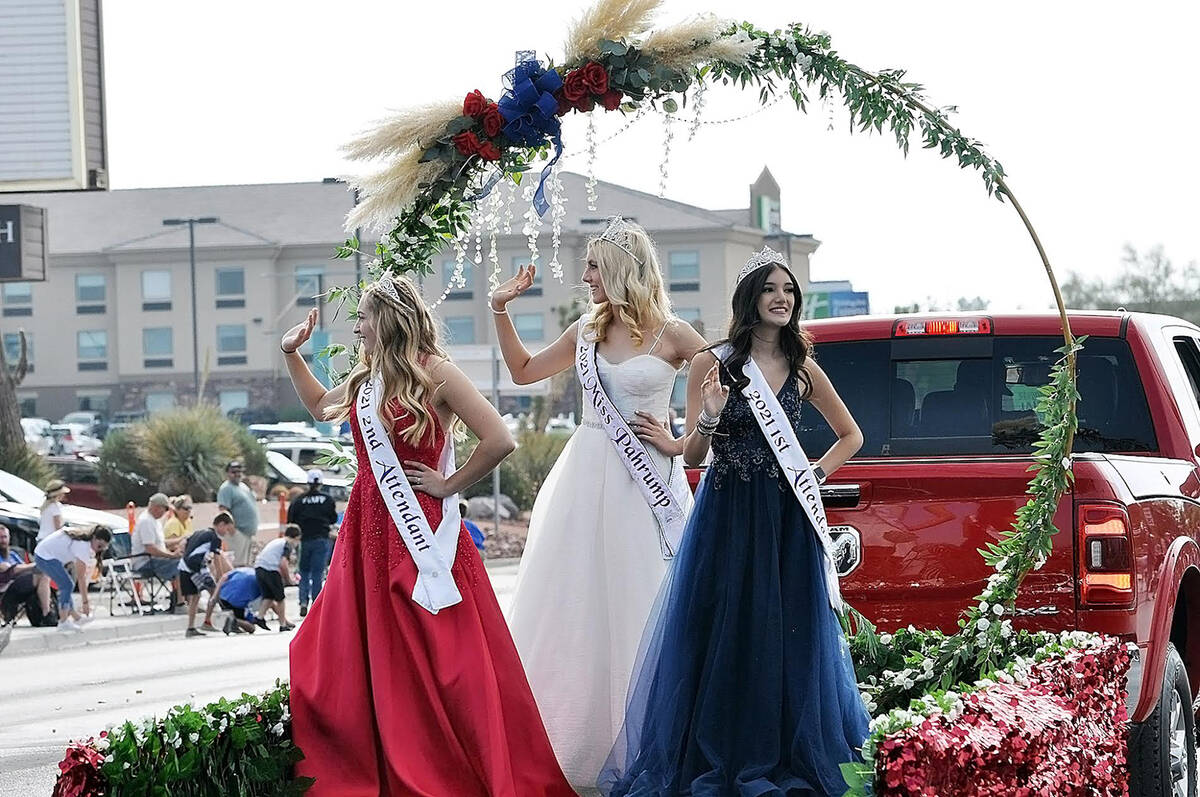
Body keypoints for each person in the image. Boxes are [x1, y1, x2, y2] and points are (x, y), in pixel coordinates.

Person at [284, 273, 573, 795]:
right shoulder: (369, 375)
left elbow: (499, 438)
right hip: (367, 524)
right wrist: (292, 356)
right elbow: (320, 408)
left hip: (422, 531)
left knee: (441, 654)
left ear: (388, 319)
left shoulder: (437, 372)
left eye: (364, 317)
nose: (357, 327)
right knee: (366, 648)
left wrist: (448, 485)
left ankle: (445, 760)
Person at [600, 246, 871, 796]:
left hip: (784, 517)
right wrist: (710, 414)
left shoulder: (802, 368)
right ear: (750, 298)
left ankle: (785, 749)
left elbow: (851, 435)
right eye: (771, 290)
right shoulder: (713, 361)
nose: (782, 300)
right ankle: (716, 751)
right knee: (723, 630)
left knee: (787, 631)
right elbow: (696, 455)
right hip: (726, 514)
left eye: (789, 292)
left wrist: (815, 472)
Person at [491, 216, 707, 789]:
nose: (585, 276)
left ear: (620, 270)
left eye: (593, 266)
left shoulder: (676, 335)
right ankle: (576, 744)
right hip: (586, 478)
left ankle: (655, 739)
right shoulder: (586, 331)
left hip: (649, 488)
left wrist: (683, 441)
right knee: (578, 606)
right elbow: (523, 371)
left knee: (646, 601)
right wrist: (499, 311)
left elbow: (720, 395)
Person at [33, 525, 112, 632]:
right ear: (93, 538)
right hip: (45, 557)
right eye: (99, 546)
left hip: (44, 554)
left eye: (103, 548)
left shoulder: (82, 538)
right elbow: (81, 578)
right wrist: (85, 603)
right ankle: (63, 621)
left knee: (66, 584)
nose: (99, 551)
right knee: (67, 585)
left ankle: (76, 618)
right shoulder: (83, 546)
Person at [287, 469, 338, 617]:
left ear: (308, 483)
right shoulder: (327, 499)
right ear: (321, 483)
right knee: (317, 573)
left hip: (303, 540)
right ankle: (316, 603)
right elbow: (333, 519)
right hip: (321, 540)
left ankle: (303, 602)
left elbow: (291, 520)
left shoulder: (299, 500)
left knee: (303, 572)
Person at [179, 512, 236, 637]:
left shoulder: (200, 532)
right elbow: (217, 558)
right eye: (227, 529)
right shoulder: (215, 537)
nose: (226, 533)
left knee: (195, 597)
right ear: (221, 524)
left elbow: (184, 543)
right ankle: (215, 621)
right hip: (195, 568)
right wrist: (221, 576)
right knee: (216, 593)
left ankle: (191, 627)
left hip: (184, 566)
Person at [130, 493, 182, 612]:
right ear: (156, 507)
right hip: (145, 562)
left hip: (154, 559)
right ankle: (180, 602)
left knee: (185, 562)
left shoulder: (155, 521)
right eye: (164, 509)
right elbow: (151, 549)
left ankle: (182, 599)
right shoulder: (146, 521)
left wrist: (179, 540)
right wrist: (171, 555)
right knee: (181, 566)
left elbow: (161, 544)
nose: (165, 512)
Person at [253, 524, 299, 631]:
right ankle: (282, 624)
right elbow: (283, 564)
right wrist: (289, 580)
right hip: (270, 569)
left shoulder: (277, 541)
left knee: (268, 596)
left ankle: (259, 617)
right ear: (296, 538)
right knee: (280, 598)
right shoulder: (287, 544)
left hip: (259, 567)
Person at [217, 460, 259, 566]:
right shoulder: (226, 488)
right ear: (228, 473)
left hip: (247, 533)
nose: (237, 474)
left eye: (239, 471)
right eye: (233, 472)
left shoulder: (243, 486)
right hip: (237, 532)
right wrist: (231, 529)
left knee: (245, 564)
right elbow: (223, 510)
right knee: (235, 564)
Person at [210, 566, 262, 635]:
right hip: (238, 604)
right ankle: (235, 621)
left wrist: (214, 596)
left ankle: (233, 624)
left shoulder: (241, 569)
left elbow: (223, 577)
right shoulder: (261, 580)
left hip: (223, 597)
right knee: (252, 628)